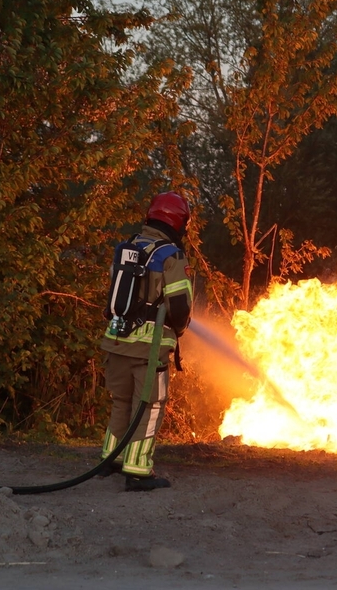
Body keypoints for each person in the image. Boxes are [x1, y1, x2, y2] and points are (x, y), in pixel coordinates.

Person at [99, 191, 193, 492]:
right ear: (178, 222)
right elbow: (179, 306)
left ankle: (112, 458)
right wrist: (179, 330)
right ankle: (138, 470)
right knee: (150, 406)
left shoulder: (128, 247)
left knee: (121, 402)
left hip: (116, 341)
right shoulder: (170, 256)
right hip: (149, 349)